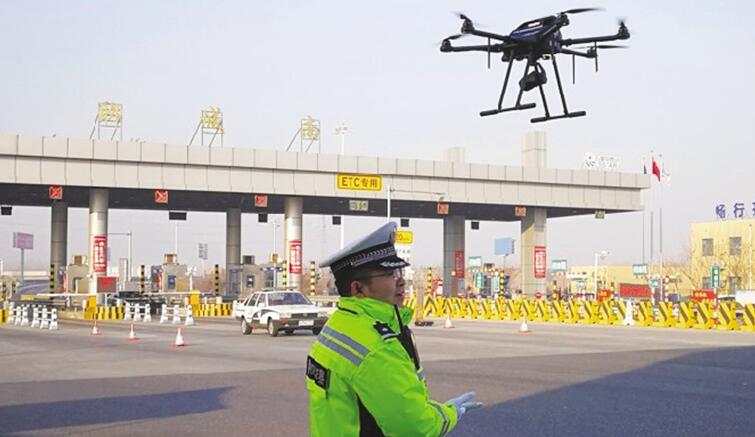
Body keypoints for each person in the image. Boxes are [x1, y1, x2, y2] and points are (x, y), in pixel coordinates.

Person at [306, 222, 481, 436]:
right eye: (389, 274)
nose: (401, 281)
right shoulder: (376, 347)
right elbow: (416, 427)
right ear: (357, 288)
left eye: (399, 271)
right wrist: (450, 413)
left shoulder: (339, 324)